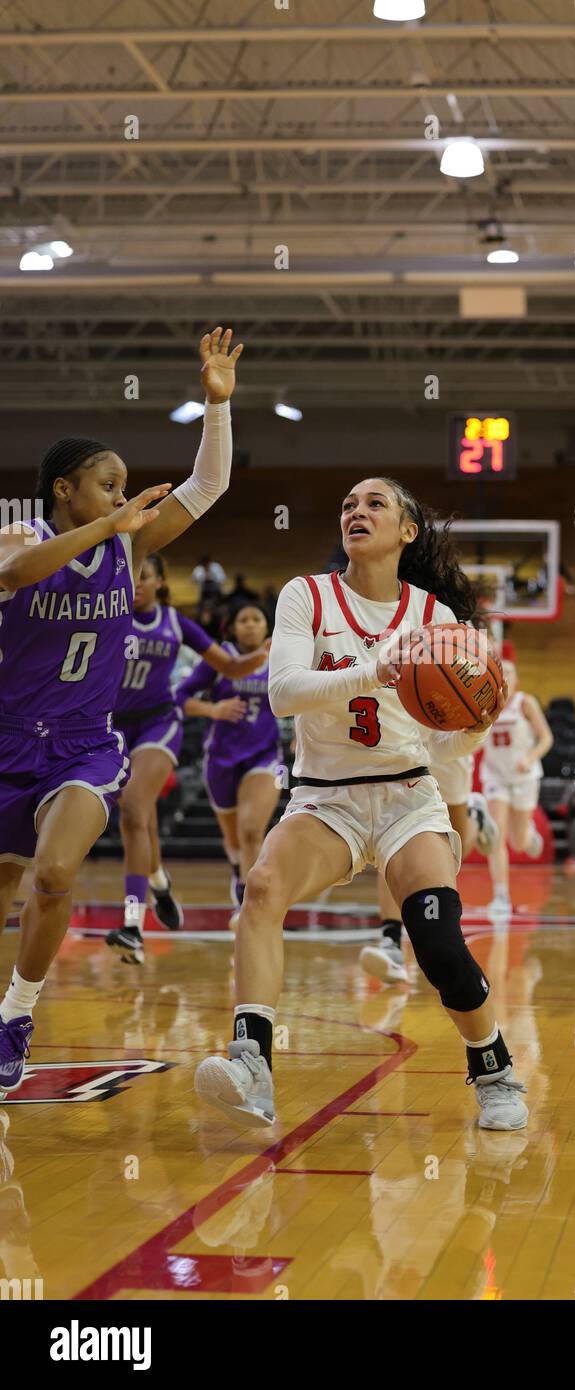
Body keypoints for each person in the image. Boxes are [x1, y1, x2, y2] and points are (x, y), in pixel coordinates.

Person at [194, 476, 528, 1131]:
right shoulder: (307, 596)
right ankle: (251, 1065)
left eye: (375, 503)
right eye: (348, 503)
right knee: (262, 888)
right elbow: (283, 692)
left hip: (408, 796)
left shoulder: (436, 619)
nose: (357, 511)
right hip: (326, 801)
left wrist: (475, 728)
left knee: (436, 940)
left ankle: (493, 1068)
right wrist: (375, 669)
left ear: (407, 531)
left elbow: (441, 747)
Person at [0, 326, 244, 1095]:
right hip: (7, 741)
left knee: (55, 872)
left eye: (125, 486)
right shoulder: (25, 534)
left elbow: (207, 488)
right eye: (108, 484)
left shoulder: (126, 550)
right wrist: (107, 523)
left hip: (82, 746)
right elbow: (14, 571)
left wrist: (215, 404)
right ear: (64, 489)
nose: (124, 495)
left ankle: (18, 1014)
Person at [107, 555, 270, 965]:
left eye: (144, 577)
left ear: (161, 582)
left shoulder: (176, 624)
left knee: (133, 811)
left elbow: (230, 666)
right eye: (130, 577)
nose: (136, 584)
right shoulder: (108, 613)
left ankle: (132, 925)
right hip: (114, 727)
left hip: (161, 724)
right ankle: (159, 882)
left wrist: (264, 656)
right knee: (139, 816)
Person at [176, 603, 280, 929]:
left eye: (257, 619)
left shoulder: (280, 653)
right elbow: (181, 697)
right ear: (233, 628)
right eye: (243, 619)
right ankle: (238, 872)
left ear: (266, 626)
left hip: (265, 757)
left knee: (251, 831)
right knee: (234, 841)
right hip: (220, 758)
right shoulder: (221, 659)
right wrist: (214, 709)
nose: (250, 625)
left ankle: (251, 903)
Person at [360, 750, 498, 985]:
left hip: (448, 739)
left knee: (456, 846)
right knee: (393, 833)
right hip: (404, 740)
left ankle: (475, 817)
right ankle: (390, 942)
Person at [479, 656, 553, 917]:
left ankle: (528, 835)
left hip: (524, 777)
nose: (506, 677)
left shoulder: (526, 703)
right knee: (496, 836)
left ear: (517, 679)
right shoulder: (482, 702)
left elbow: (546, 738)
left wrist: (530, 758)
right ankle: (501, 895)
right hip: (495, 776)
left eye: (511, 673)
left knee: (518, 842)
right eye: (502, 673)